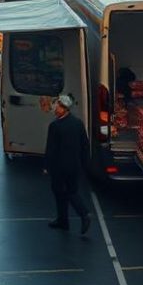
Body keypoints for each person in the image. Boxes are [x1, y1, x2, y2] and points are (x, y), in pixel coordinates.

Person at [45, 94, 91, 235]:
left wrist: (47, 166)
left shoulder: (55, 126)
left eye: (57, 106)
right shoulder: (78, 123)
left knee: (61, 192)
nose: (55, 108)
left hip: (59, 167)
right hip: (74, 166)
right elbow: (85, 145)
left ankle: (82, 214)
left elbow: (51, 149)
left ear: (64, 108)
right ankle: (63, 220)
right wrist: (84, 164)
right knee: (71, 190)